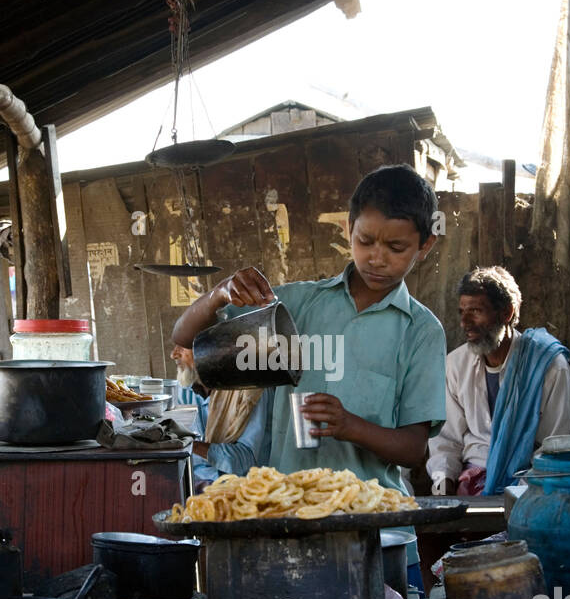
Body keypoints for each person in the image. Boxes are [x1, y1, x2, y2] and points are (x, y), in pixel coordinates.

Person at [171, 163, 447, 565]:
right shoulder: (297, 306)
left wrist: (350, 426)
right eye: (365, 240)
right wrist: (218, 294)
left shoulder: (420, 330)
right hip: (287, 522)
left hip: (375, 534)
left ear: (425, 245)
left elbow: (413, 448)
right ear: (348, 228)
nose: (376, 257)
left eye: (396, 248)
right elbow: (186, 339)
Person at [427, 266, 570, 497]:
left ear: (507, 313)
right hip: (472, 481)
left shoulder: (548, 366)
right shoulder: (455, 364)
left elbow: (555, 447)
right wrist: (443, 482)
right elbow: (446, 440)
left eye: (475, 311)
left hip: (530, 482)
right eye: (462, 311)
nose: (465, 322)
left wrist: (522, 492)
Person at [170, 343, 267, 486]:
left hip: (245, 488)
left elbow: (247, 461)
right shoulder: (185, 388)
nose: (173, 354)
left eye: (183, 347)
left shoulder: (249, 391)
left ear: (209, 347)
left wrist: (192, 446)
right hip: (199, 484)